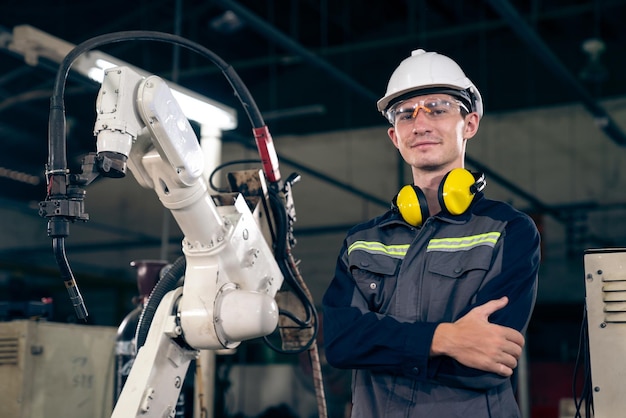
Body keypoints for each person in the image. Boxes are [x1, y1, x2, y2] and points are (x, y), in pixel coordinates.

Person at [321, 49, 540, 418]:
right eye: (406, 114)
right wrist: (446, 340)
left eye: (437, 108)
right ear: (394, 135)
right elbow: (340, 344)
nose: (420, 124)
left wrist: (379, 344)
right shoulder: (362, 242)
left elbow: (485, 363)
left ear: (469, 124)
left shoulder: (508, 231)